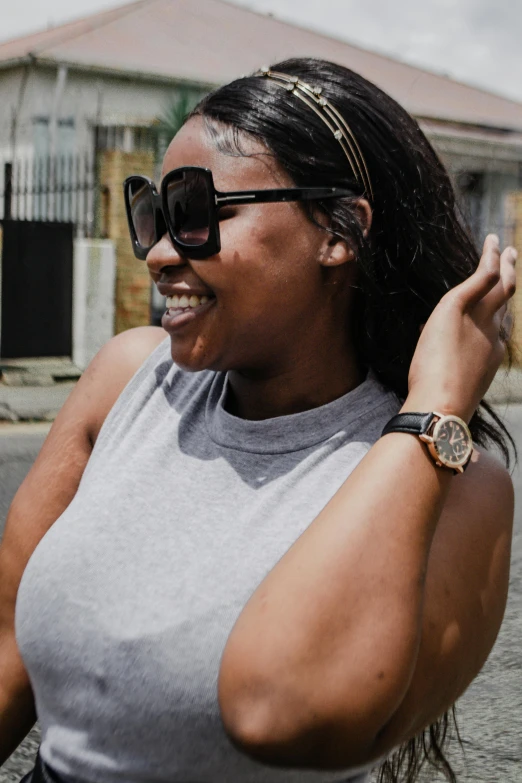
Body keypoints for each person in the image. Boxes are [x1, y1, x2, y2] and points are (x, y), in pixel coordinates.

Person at [0, 57, 517, 783]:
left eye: (197, 212)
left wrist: (434, 412)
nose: (156, 252)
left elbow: (280, 710)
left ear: (338, 231)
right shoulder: (127, 383)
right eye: (153, 213)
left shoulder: (456, 483)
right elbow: (8, 654)